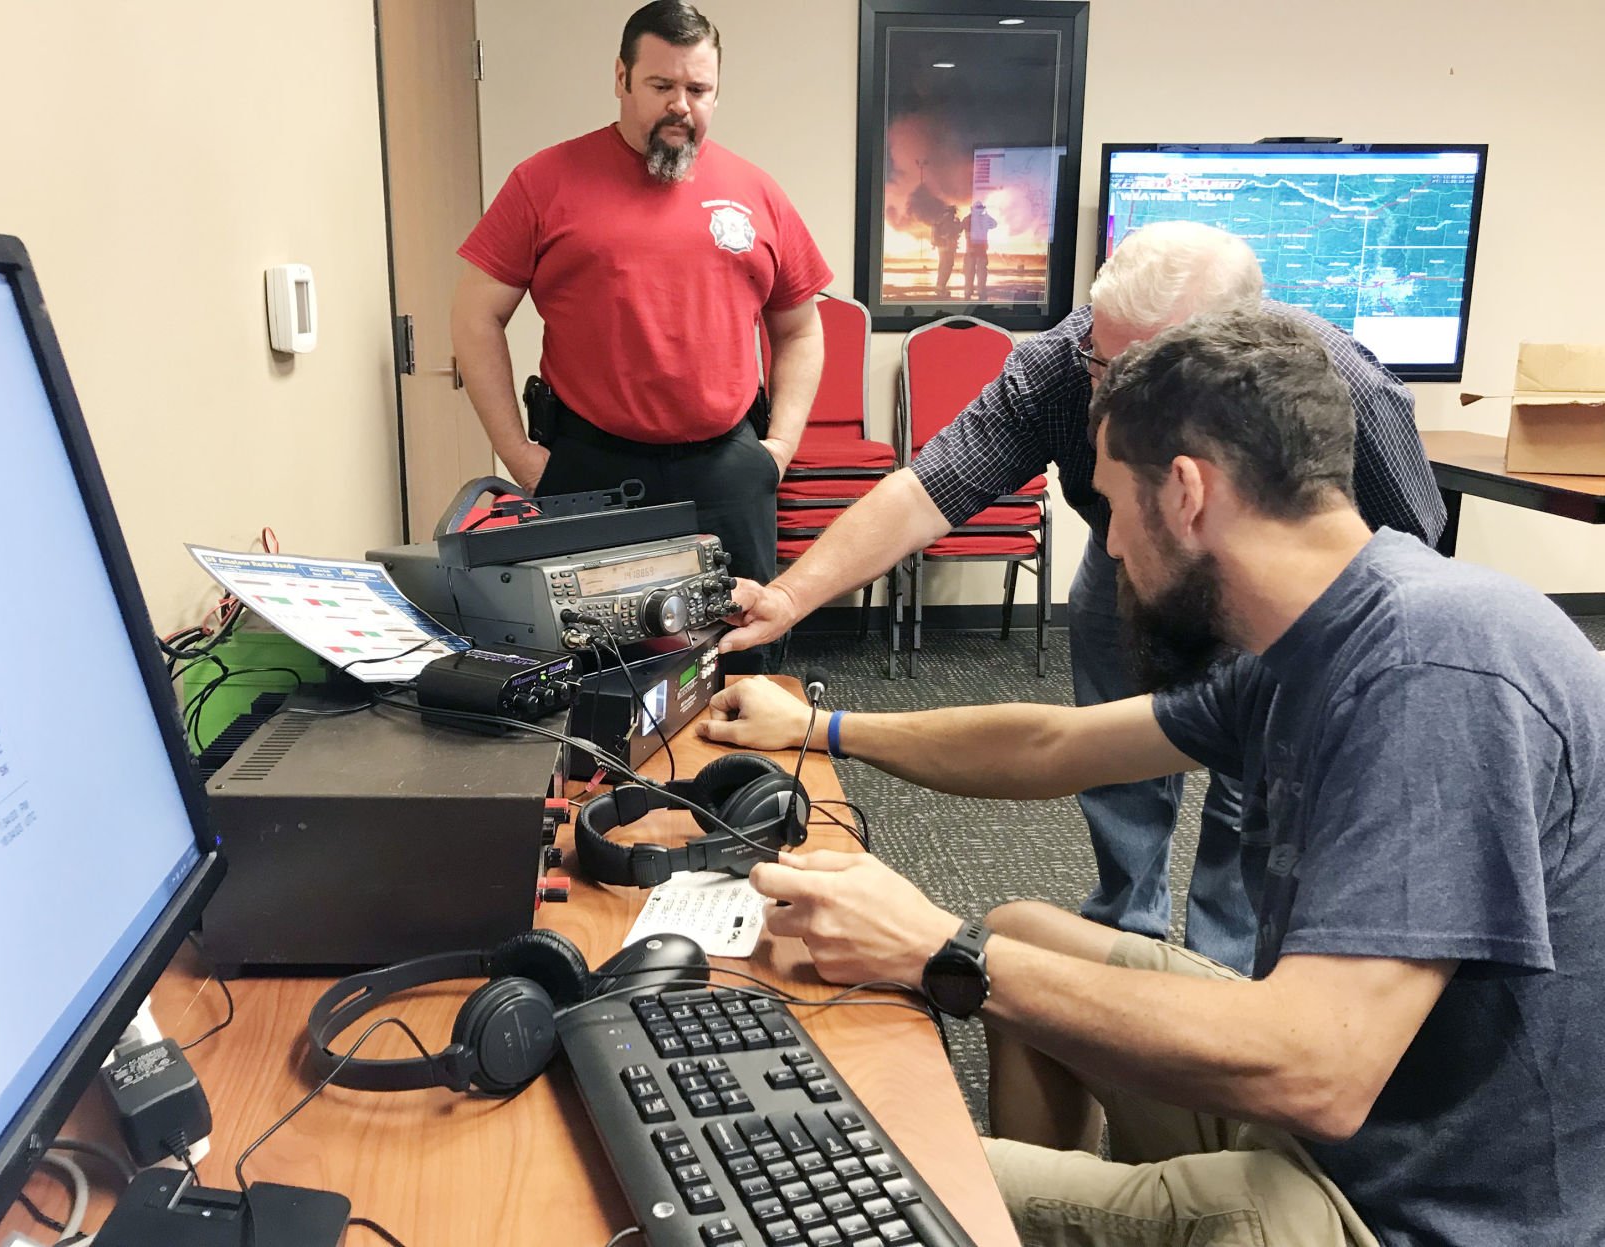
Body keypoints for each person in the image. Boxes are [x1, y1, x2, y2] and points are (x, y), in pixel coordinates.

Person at [701, 308, 1605, 1246]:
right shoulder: (1322, 635)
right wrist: (823, 726)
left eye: (1111, 506)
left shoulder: (1432, 670)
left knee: (863, 1161)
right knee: (1018, 932)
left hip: (1408, 1212)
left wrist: (938, 950)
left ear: (1185, 493)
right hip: (1360, 1130)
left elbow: (1317, 1072)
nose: (1114, 547)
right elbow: (1051, 746)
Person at [722, 221, 1445, 971]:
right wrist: (791, 599)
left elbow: (1409, 554)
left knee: (1256, 781)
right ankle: (1126, 937)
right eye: (1100, 359)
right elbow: (927, 494)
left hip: (1289, 598)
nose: (1106, 392)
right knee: (1118, 752)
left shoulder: (1348, 387)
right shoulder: (1063, 369)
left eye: (1135, 371)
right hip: (1136, 556)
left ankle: (1228, 965)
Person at [450, 1, 831, 671]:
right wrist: (518, 452)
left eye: (698, 89)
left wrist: (779, 448)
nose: (680, 105)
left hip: (728, 469)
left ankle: (738, 779)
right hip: (590, 470)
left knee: (741, 657)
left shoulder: (755, 192)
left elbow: (800, 327)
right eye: (661, 86)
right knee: (593, 664)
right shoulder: (545, 182)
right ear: (621, 78)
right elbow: (475, 316)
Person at [960, 200, 997, 300]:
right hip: (981, 251)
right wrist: (987, 215)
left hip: (971, 250)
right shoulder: (984, 218)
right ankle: (981, 292)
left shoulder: (968, 219)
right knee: (981, 273)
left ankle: (968, 292)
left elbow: (960, 228)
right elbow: (994, 224)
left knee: (969, 272)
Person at [930, 204, 962, 296]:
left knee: (942, 267)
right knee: (947, 267)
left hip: (941, 248)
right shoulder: (949, 221)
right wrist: (958, 223)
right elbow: (955, 231)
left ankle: (939, 287)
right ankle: (941, 288)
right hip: (947, 248)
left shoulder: (941, 220)